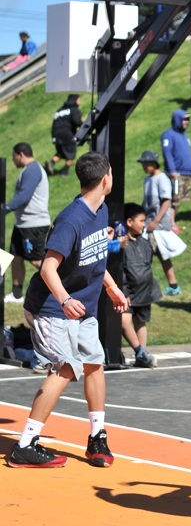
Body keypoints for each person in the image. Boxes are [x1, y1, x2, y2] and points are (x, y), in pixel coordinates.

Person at [6, 152, 128, 469]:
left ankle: (97, 437)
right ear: (106, 180)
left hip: (82, 306)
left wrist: (112, 287)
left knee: (94, 363)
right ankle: (25, 444)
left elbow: (95, 259)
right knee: (66, 367)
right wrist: (64, 299)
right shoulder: (71, 220)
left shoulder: (100, 211)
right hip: (51, 308)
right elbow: (48, 268)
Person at [2, 143, 50, 306]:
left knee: (37, 260)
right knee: (17, 257)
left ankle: (64, 285)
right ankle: (16, 295)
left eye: (14, 156)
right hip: (22, 224)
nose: (13, 159)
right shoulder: (29, 170)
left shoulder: (32, 170)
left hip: (33, 224)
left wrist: (6, 208)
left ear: (20, 154)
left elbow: (24, 196)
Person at [120, 202, 162, 368]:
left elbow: (148, 264)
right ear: (129, 222)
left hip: (145, 291)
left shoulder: (145, 244)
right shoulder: (122, 244)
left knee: (140, 322)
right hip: (127, 292)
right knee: (124, 321)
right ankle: (139, 351)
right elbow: (121, 270)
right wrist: (124, 291)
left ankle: (142, 355)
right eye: (141, 221)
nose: (144, 224)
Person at [138, 150, 182, 295]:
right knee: (153, 254)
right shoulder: (147, 179)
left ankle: (170, 285)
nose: (144, 166)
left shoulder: (162, 179)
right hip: (148, 223)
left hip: (158, 225)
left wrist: (156, 221)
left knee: (158, 253)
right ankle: (171, 284)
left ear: (153, 163)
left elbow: (166, 201)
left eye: (146, 163)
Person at [160, 109, 191, 229]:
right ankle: (171, 223)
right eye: (184, 119)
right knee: (174, 199)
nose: (186, 122)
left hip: (187, 173)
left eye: (188, 119)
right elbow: (167, 153)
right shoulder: (168, 135)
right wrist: (172, 170)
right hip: (177, 174)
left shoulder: (184, 136)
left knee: (179, 199)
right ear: (177, 119)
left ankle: (172, 221)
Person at [46, 94, 82, 176]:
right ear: (76, 100)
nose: (80, 101)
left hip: (56, 134)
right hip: (67, 134)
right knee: (71, 153)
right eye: (79, 99)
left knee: (61, 152)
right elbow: (77, 122)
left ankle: (51, 163)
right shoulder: (73, 110)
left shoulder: (60, 110)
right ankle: (64, 173)